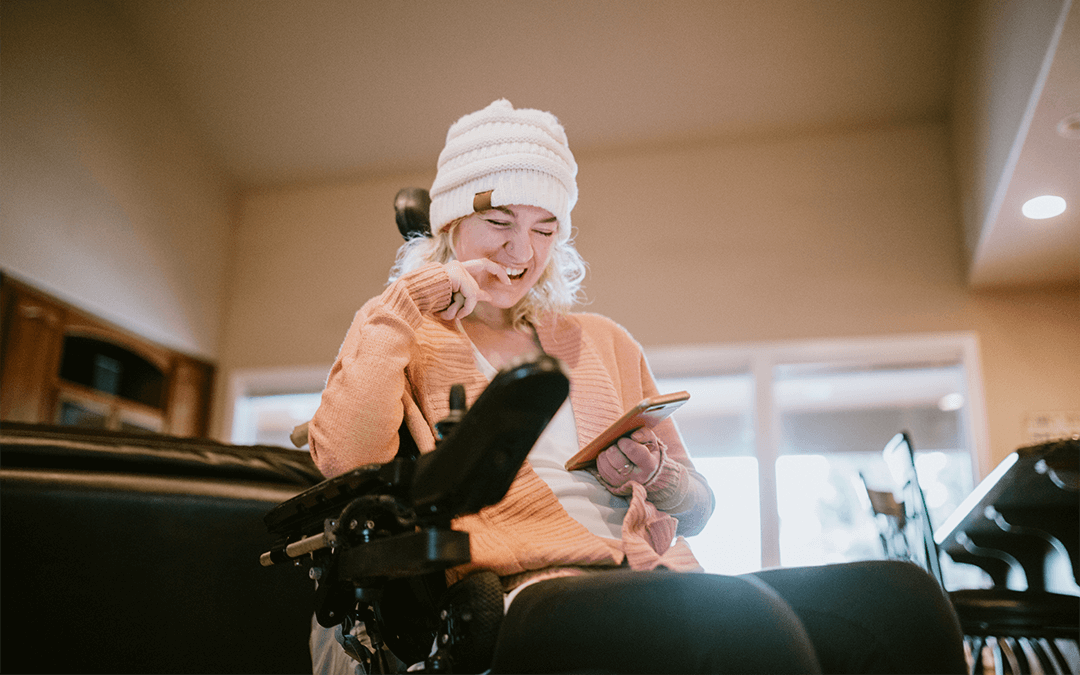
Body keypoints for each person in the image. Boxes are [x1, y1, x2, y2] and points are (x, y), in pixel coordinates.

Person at [308, 99, 967, 674]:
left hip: (655, 574)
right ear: (451, 224)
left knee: (901, 601)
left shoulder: (604, 341)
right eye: (500, 222)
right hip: (523, 594)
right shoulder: (405, 335)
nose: (521, 252)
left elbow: (701, 507)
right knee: (735, 620)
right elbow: (345, 462)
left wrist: (659, 475)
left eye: (545, 229)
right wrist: (406, 299)